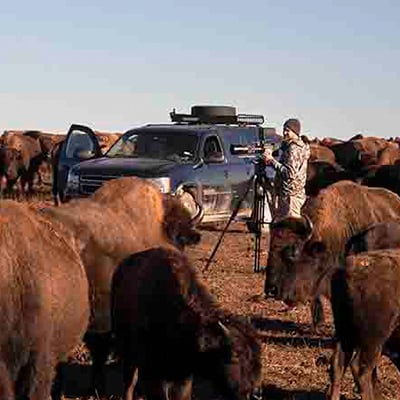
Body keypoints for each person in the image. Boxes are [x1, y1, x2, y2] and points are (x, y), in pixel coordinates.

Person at [263, 118, 310, 220]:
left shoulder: (293, 149)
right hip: (294, 194)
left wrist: (271, 161)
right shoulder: (299, 146)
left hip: (290, 197)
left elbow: (290, 174)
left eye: (287, 130)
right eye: (284, 130)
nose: (284, 133)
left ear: (295, 132)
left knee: (289, 229)